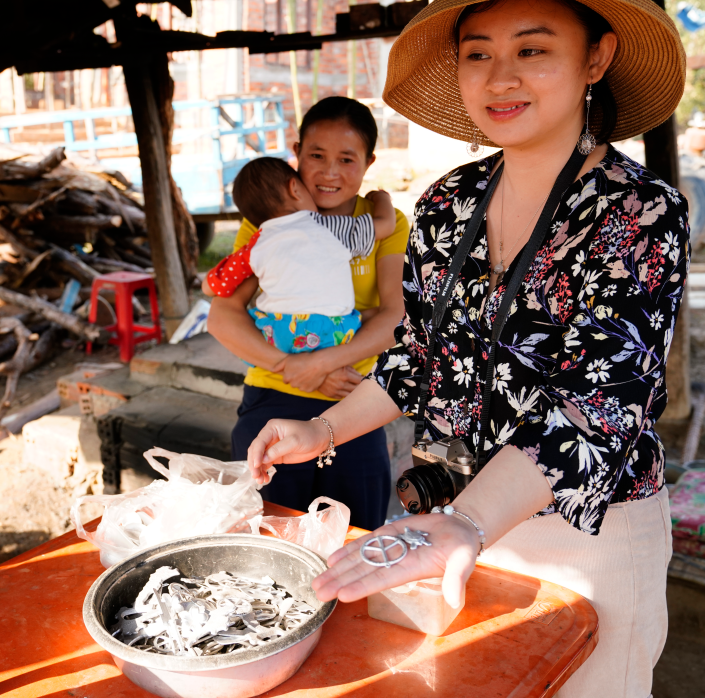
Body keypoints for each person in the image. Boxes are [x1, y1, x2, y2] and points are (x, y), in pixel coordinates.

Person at [246, 0, 687, 695]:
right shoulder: (448, 202)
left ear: (595, 59)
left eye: (532, 50)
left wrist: (467, 523)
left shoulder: (639, 211)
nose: (499, 77)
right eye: (478, 54)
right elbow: (417, 359)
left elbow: (601, 403)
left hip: (583, 532)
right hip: (444, 522)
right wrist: (323, 429)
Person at [209, 97, 411, 531]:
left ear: (369, 162)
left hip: (353, 398)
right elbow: (222, 317)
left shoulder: (386, 223)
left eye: (347, 159)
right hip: (274, 390)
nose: (329, 172)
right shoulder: (268, 220)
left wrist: (322, 364)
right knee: (268, 531)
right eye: (316, 156)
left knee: (356, 531)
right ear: (297, 154)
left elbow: (394, 317)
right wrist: (297, 368)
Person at [203, 156, 396, 357]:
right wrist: (381, 198)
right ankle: (327, 364)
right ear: (294, 188)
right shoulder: (330, 227)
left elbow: (210, 287)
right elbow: (386, 224)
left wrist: (209, 283)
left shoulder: (254, 247)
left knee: (254, 317)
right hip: (335, 331)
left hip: (279, 334)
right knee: (377, 314)